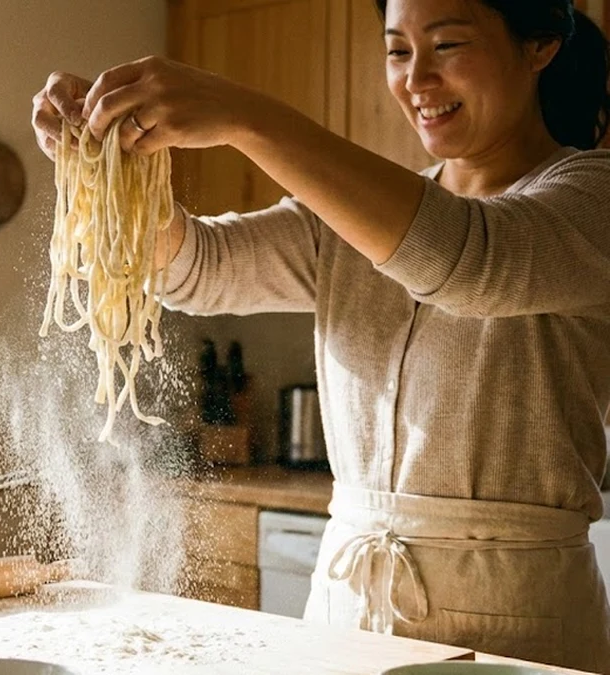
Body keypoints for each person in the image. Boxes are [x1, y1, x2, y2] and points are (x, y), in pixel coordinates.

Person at [31, 0, 610, 670]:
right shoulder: (353, 210)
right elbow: (198, 267)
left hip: (519, 621)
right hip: (344, 615)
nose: (416, 79)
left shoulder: (591, 195)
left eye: (447, 45)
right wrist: (104, 160)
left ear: (538, 46)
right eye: (398, 51)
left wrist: (245, 114)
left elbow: (468, 259)